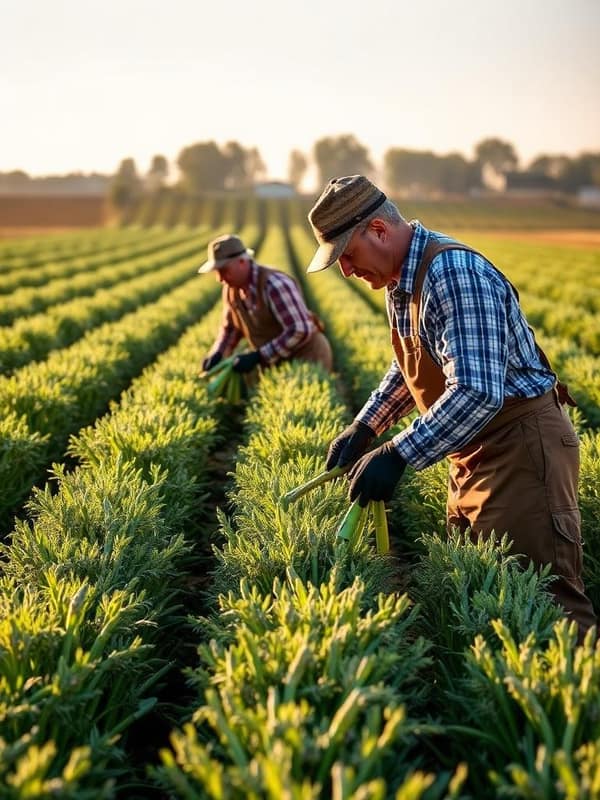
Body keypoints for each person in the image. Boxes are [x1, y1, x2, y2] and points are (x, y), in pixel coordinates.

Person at [306, 174, 596, 635]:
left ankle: (577, 700)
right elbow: (412, 364)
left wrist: (398, 453)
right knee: (488, 595)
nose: (346, 271)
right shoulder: (401, 281)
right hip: (473, 451)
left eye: (347, 255)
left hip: (521, 450)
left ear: (378, 231)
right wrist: (366, 427)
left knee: (543, 604)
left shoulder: (452, 272)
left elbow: (478, 390)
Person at [198, 233, 333, 375]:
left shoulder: (274, 284)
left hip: (307, 355)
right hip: (276, 359)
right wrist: (217, 353)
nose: (220, 278)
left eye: (224, 270)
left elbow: (299, 329)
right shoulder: (231, 290)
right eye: (217, 272)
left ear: (242, 262)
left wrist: (258, 356)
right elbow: (230, 328)